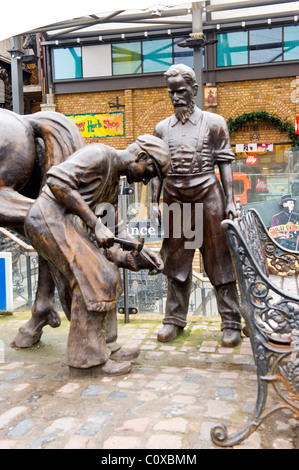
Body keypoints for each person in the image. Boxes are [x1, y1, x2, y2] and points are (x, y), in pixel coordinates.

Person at [23, 135, 170, 376]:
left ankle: (108, 346)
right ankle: (87, 360)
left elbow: (113, 226)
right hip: (47, 219)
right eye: (150, 172)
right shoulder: (99, 154)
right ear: (141, 157)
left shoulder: (114, 179)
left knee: (110, 273)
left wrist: (139, 252)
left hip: (64, 223)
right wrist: (94, 224)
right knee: (94, 278)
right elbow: (56, 180)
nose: (146, 180)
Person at [151, 64, 242, 347]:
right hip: (175, 195)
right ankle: (174, 320)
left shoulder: (215, 123)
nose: (176, 97)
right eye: (171, 93)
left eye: (181, 91)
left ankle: (231, 322)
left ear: (194, 90)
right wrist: (154, 202)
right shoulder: (161, 128)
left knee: (218, 258)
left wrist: (230, 201)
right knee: (176, 260)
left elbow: (225, 163)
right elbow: (156, 169)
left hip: (208, 194)